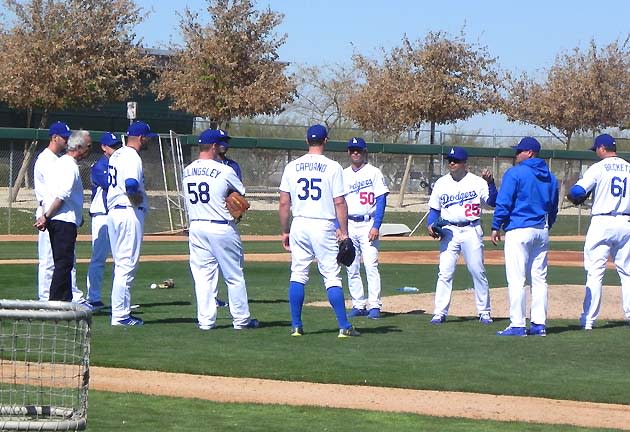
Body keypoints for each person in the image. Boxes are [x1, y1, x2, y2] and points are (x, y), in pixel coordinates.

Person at [279, 124, 359, 338]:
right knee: (332, 276)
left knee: (298, 273)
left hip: (300, 223)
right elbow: (340, 202)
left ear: (307, 141)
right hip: (323, 224)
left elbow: (284, 203)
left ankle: (296, 326)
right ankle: (344, 326)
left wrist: (285, 231)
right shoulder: (333, 167)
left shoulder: (292, 166)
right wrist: (344, 232)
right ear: (326, 141)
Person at [182, 128, 258, 330]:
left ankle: (206, 321)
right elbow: (239, 193)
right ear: (214, 146)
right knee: (234, 275)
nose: (223, 146)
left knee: (203, 276)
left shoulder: (187, 170)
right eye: (220, 143)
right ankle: (241, 320)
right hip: (220, 226)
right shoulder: (225, 170)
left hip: (197, 226)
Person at [491, 137, 559, 337]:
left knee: (517, 278)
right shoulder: (551, 176)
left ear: (530, 152)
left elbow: (504, 202)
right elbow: (553, 206)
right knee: (539, 279)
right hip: (541, 230)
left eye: (520, 151)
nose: (517, 154)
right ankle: (539, 324)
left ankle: (518, 324)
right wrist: (549, 224)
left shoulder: (515, 173)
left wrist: (496, 226)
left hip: (519, 229)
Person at [426, 147, 497, 325]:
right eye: (449, 160)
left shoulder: (477, 182)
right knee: (445, 272)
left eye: (455, 160)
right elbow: (434, 209)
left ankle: (484, 311)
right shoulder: (441, 183)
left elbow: (493, 203)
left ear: (465, 163)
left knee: (477, 271)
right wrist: (430, 224)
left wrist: (490, 183)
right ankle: (439, 312)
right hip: (449, 231)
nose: (451, 163)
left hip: (471, 229)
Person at [567, 134, 630, 330]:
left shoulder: (598, 167)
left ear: (602, 148)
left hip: (602, 222)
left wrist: (573, 195)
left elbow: (577, 193)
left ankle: (588, 320)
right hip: (626, 221)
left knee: (595, 273)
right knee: (627, 272)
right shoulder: (629, 167)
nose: (596, 152)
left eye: (596, 149)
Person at [106, 120, 155, 326]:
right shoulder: (131, 155)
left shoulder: (117, 154)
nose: (148, 142)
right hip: (128, 212)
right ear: (141, 138)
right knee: (127, 266)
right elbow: (131, 185)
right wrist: (137, 202)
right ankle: (120, 315)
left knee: (121, 265)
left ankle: (121, 312)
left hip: (115, 213)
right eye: (147, 139)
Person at [34, 130, 92, 301]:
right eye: (88, 146)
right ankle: (55, 301)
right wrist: (46, 216)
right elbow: (62, 195)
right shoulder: (69, 166)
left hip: (61, 219)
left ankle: (63, 300)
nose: (89, 149)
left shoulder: (60, 163)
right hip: (62, 220)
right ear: (79, 147)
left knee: (62, 263)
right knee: (63, 264)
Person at [342, 137, 389, 319]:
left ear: (364, 152)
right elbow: (337, 202)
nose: (355, 153)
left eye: (358, 150)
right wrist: (340, 228)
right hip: (350, 224)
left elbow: (381, 199)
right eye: (352, 150)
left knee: (371, 265)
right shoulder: (343, 174)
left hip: (368, 222)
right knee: (351, 266)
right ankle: (358, 304)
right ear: (348, 152)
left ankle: (375, 305)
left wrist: (376, 225)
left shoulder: (374, 172)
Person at [85, 132, 122, 310]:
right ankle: (93, 297)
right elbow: (112, 185)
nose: (116, 149)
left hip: (115, 214)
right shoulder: (100, 165)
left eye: (118, 146)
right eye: (112, 146)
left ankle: (119, 299)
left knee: (120, 258)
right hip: (102, 215)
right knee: (99, 258)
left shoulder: (119, 163)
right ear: (103, 147)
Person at [214, 129, 237, 308]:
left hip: (227, 219)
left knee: (234, 263)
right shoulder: (205, 165)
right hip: (212, 219)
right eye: (221, 140)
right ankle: (212, 298)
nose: (224, 144)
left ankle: (234, 300)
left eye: (226, 140)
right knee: (210, 265)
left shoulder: (232, 166)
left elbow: (238, 192)